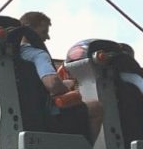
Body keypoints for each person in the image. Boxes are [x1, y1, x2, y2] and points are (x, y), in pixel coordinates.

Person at [18, 11, 102, 142]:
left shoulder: (11, 57)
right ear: (29, 30)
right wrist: (64, 86)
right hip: (48, 119)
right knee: (96, 107)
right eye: (44, 32)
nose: (47, 37)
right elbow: (52, 84)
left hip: (22, 118)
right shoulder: (38, 54)